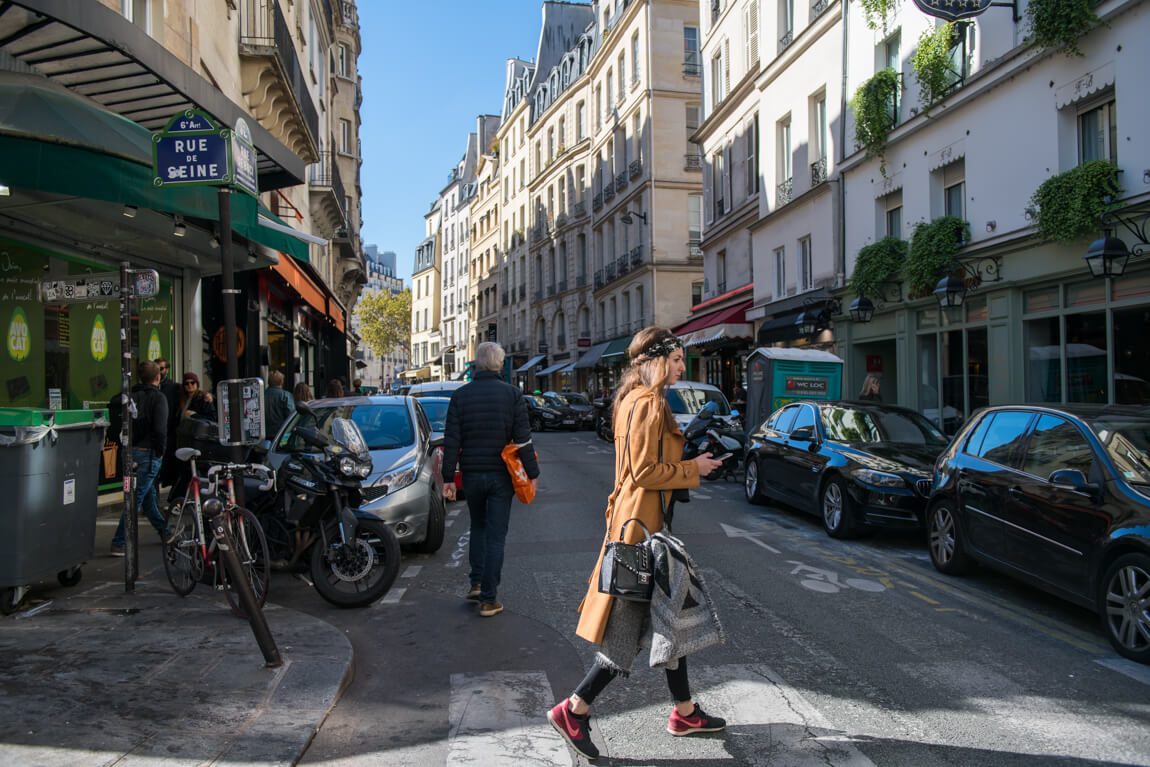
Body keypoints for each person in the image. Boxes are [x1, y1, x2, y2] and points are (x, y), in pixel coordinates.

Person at [547, 327, 726, 760]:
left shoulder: (631, 398)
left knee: (673, 613)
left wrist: (686, 463)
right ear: (659, 359)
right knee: (627, 632)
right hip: (641, 534)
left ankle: (683, 711)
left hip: (640, 525)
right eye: (679, 359)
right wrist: (694, 468)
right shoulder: (647, 402)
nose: (683, 367)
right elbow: (645, 472)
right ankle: (574, 709)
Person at [440, 341, 539, 618]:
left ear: (476, 364)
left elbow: (452, 440)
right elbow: (523, 440)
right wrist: (532, 474)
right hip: (500, 475)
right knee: (496, 535)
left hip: (471, 474)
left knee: (478, 527)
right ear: (499, 364)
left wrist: (449, 477)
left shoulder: (460, 396)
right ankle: (488, 599)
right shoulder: (512, 394)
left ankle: (477, 581)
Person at [109, 360, 170, 556]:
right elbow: (160, 429)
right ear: (158, 376)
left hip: (130, 451)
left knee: (147, 497)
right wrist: (160, 451)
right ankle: (119, 541)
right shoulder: (158, 398)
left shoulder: (130, 396)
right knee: (136, 498)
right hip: (149, 453)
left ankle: (165, 532)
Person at [155, 357, 182, 490]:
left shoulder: (174, 388)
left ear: (167, 369)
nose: (159, 372)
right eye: (156, 369)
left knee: (167, 467)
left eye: (161, 368)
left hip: (169, 432)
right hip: (154, 433)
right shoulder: (151, 387)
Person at [264, 370, 294, 440]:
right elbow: (291, 416)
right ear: (281, 382)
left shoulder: (261, 395)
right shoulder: (285, 395)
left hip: (264, 435)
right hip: (281, 434)